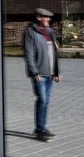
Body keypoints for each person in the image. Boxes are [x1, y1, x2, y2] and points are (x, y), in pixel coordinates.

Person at [23, 8, 61, 142]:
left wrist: (56, 72)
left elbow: (55, 53)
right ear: (39, 18)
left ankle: (42, 128)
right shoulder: (30, 32)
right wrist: (34, 72)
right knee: (42, 100)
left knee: (46, 101)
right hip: (39, 74)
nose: (49, 19)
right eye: (46, 17)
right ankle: (39, 130)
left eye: (49, 18)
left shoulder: (50, 32)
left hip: (50, 74)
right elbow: (29, 54)